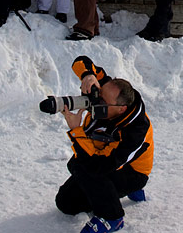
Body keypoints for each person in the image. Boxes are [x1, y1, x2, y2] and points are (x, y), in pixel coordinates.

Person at [55, 68, 152, 233]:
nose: (96, 101)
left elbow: (101, 165)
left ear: (121, 108)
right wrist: (87, 75)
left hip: (132, 172)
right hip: (107, 161)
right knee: (66, 202)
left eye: (103, 100)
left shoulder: (136, 130)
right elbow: (82, 61)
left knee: (82, 166)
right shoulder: (107, 103)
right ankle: (111, 195)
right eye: (98, 95)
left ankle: (112, 217)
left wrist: (76, 132)